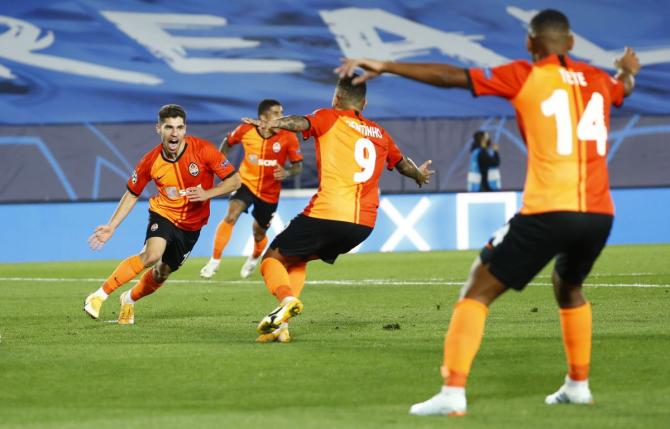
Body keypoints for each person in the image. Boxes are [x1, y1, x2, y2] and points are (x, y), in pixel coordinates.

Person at [337, 8, 639, 416]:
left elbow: (451, 77)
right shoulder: (601, 81)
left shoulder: (524, 74)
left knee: (477, 291)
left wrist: (387, 65)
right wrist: (627, 71)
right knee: (568, 286)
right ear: (570, 44)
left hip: (549, 209)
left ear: (530, 44)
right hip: (600, 214)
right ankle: (577, 385)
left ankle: (452, 393)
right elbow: (625, 89)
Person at [242, 75, 435, 343]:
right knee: (297, 258)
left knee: (272, 259)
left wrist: (271, 123)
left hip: (328, 213)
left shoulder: (329, 116)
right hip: (363, 226)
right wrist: (419, 176)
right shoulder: (381, 133)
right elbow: (402, 164)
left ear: (337, 98)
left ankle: (286, 300)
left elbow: (299, 122)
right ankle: (281, 325)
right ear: (364, 103)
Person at [84, 104, 241, 324]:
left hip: (192, 227)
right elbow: (131, 193)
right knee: (152, 255)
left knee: (162, 273)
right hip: (164, 214)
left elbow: (235, 180)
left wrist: (208, 193)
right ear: (158, 129)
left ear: (185, 129)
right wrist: (112, 225)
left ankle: (128, 299)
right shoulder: (150, 161)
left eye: (179, 127)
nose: (174, 133)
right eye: (169, 127)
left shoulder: (204, 150)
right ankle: (98, 296)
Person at [200, 99, 303, 279]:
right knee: (231, 214)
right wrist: (220, 162)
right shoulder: (245, 130)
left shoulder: (288, 137)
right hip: (246, 183)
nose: (282, 117)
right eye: (277, 113)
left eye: (282, 113)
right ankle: (214, 261)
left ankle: (254, 256)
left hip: (269, 193)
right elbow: (228, 141)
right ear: (264, 117)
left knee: (259, 232)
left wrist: (287, 173)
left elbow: (297, 166)